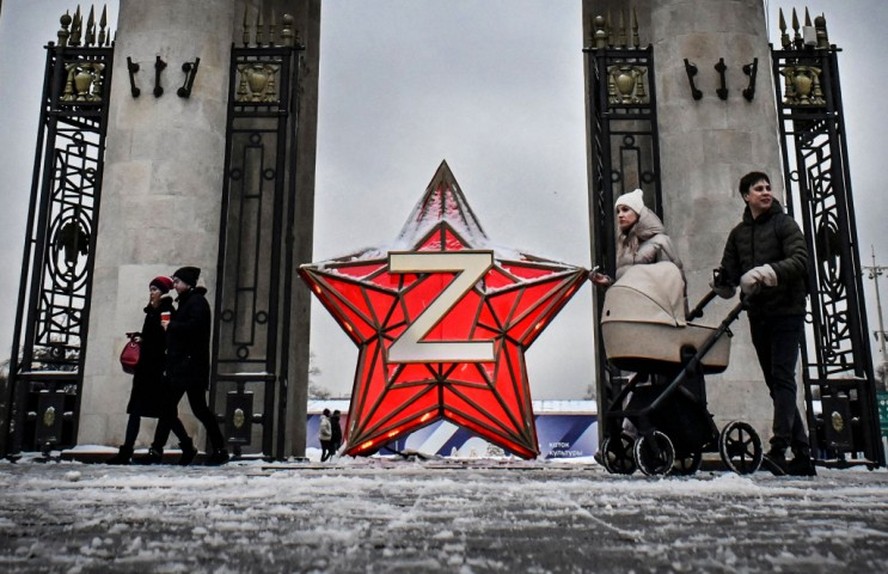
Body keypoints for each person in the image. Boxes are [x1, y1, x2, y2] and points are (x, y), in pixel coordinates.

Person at [713, 171, 815, 476]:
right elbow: (730, 272)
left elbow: (800, 260)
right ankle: (803, 454)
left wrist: (767, 271)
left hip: (787, 310)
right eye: (759, 189)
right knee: (775, 382)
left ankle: (779, 448)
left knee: (783, 378)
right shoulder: (738, 234)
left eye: (768, 188)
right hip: (759, 314)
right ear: (746, 196)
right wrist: (721, 282)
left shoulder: (785, 224)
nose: (766, 192)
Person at [107, 276, 197, 465]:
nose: (151, 293)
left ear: (163, 292)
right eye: (150, 289)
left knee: (166, 413)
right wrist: (141, 337)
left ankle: (187, 447)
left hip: (156, 371)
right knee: (138, 411)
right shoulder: (152, 312)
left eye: (155, 290)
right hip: (145, 370)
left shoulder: (165, 311)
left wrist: (146, 341)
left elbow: (166, 339)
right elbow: (154, 337)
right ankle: (127, 451)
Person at [150, 266, 229, 465]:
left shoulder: (196, 302)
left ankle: (166, 449)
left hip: (189, 367)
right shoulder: (188, 302)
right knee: (189, 409)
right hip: (186, 366)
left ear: (188, 283)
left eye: (177, 282)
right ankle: (207, 448)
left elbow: (196, 328)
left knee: (180, 408)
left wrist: (172, 326)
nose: (174, 285)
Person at [591, 188, 684, 287]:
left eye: (625, 210)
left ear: (637, 212)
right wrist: (607, 282)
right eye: (618, 211)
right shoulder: (624, 242)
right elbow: (628, 283)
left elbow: (678, 276)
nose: (620, 215)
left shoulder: (659, 239)